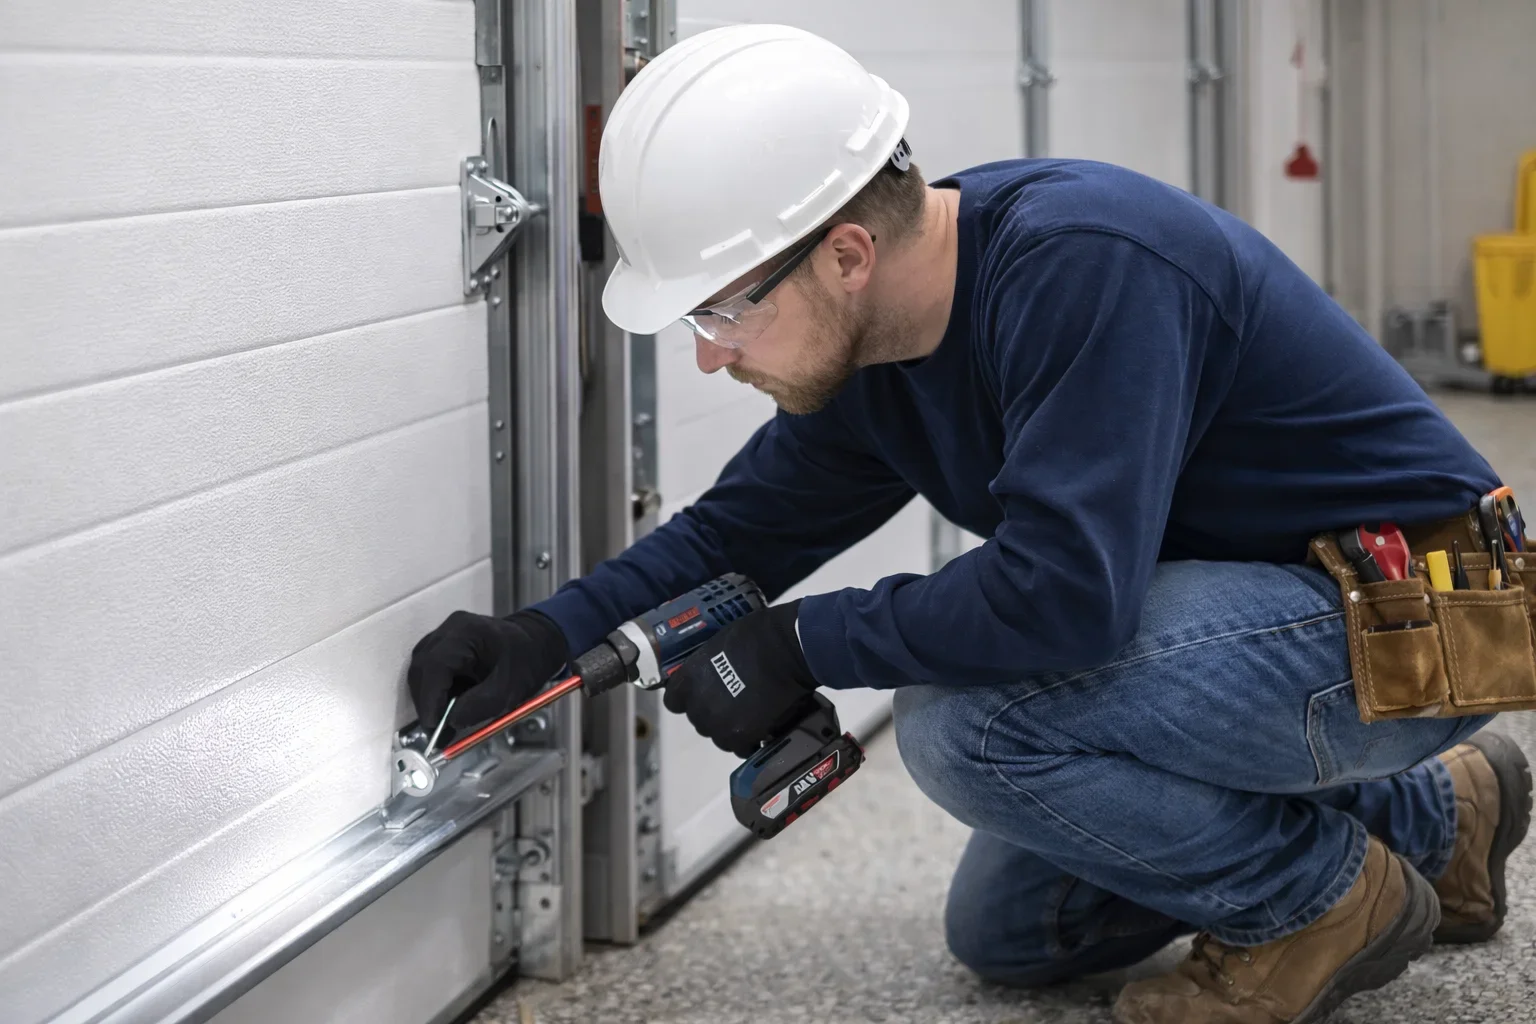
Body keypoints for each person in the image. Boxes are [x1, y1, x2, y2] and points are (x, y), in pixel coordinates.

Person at [406, 24, 1533, 1024]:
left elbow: (1063, 598)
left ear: (847, 255)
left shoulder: (1085, 266)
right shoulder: (875, 355)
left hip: (1418, 614)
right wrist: (543, 640)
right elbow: (731, 540)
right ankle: (1439, 818)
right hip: (1265, 622)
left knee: (964, 725)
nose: (709, 350)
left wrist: (800, 644)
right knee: (1013, 934)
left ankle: (1320, 901)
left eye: (724, 308)